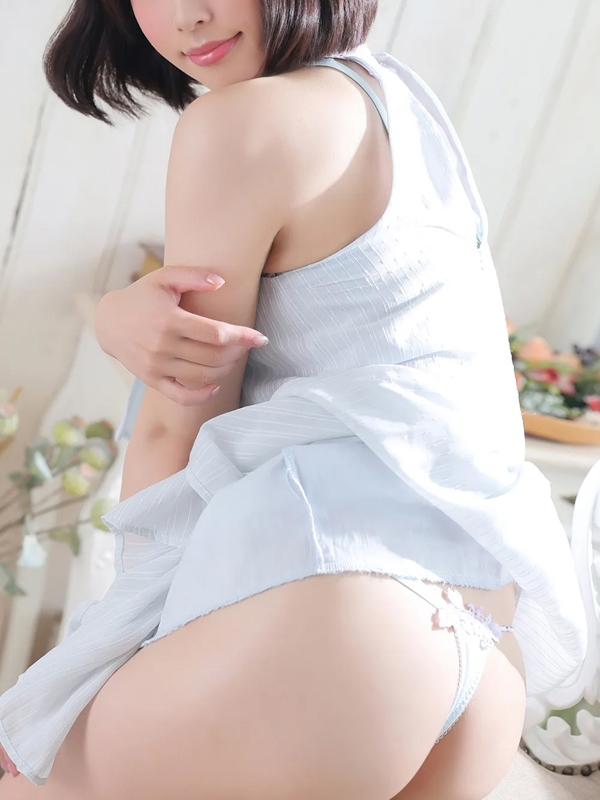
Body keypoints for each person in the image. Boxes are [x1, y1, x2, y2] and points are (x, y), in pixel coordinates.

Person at [0, 1, 588, 798]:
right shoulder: (397, 99)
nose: (190, 14)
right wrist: (116, 317)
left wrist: (86, 664)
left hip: (334, 618)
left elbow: (177, 427)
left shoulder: (237, 123)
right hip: (481, 651)